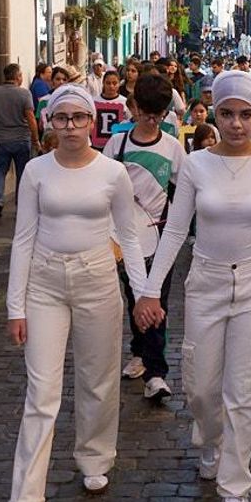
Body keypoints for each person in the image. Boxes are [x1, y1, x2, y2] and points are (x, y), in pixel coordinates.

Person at [132, 70, 251, 502]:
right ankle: (209, 437)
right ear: (215, 113)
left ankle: (236, 486)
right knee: (199, 384)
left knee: (246, 386)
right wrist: (149, 291)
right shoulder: (198, 164)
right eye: (227, 113)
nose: (236, 123)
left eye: (245, 114)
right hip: (206, 282)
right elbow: (175, 230)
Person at [5, 85, 149, 502]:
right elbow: (22, 239)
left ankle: (95, 456)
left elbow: (129, 236)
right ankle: (26, 497)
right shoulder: (35, 171)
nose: (70, 126)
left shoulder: (112, 173)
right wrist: (15, 306)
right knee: (42, 390)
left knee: (98, 378)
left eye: (78, 118)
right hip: (44, 284)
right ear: (50, 122)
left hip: (97, 279)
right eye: (61, 118)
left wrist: (142, 293)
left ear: (92, 122)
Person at [103, 73, 186, 401]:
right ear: (133, 108)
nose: (152, 121)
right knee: (133, 295)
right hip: (122, 238)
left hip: (159, 237)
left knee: (157, 299)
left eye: (159, 114)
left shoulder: (172, 149)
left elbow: (184, 192)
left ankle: (156, 372)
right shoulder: (117, 144)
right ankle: (139, 351)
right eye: (146, 113)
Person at [0, 63, 41, 218]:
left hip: (2, 139)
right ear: (17, 77)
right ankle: (20, 204)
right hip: (21, 139)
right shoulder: (24, 94)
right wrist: (36, 139)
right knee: (22, 173)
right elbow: (31, 118)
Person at [91, 71, 130, 149]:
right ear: (103, 83)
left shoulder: (125, 102)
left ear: (119, 84)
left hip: (117, 145)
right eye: (108, 83)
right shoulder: (93, 101)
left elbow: (129, 122)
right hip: (97, 145)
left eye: (114, 83)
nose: (111, 86)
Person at [33, 66, 70, 131]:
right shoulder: (44, 100)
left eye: (64, 79)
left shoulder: (72, 100)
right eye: (58, 79)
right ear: (52, 81)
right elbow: (40, 126)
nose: (61, 82)